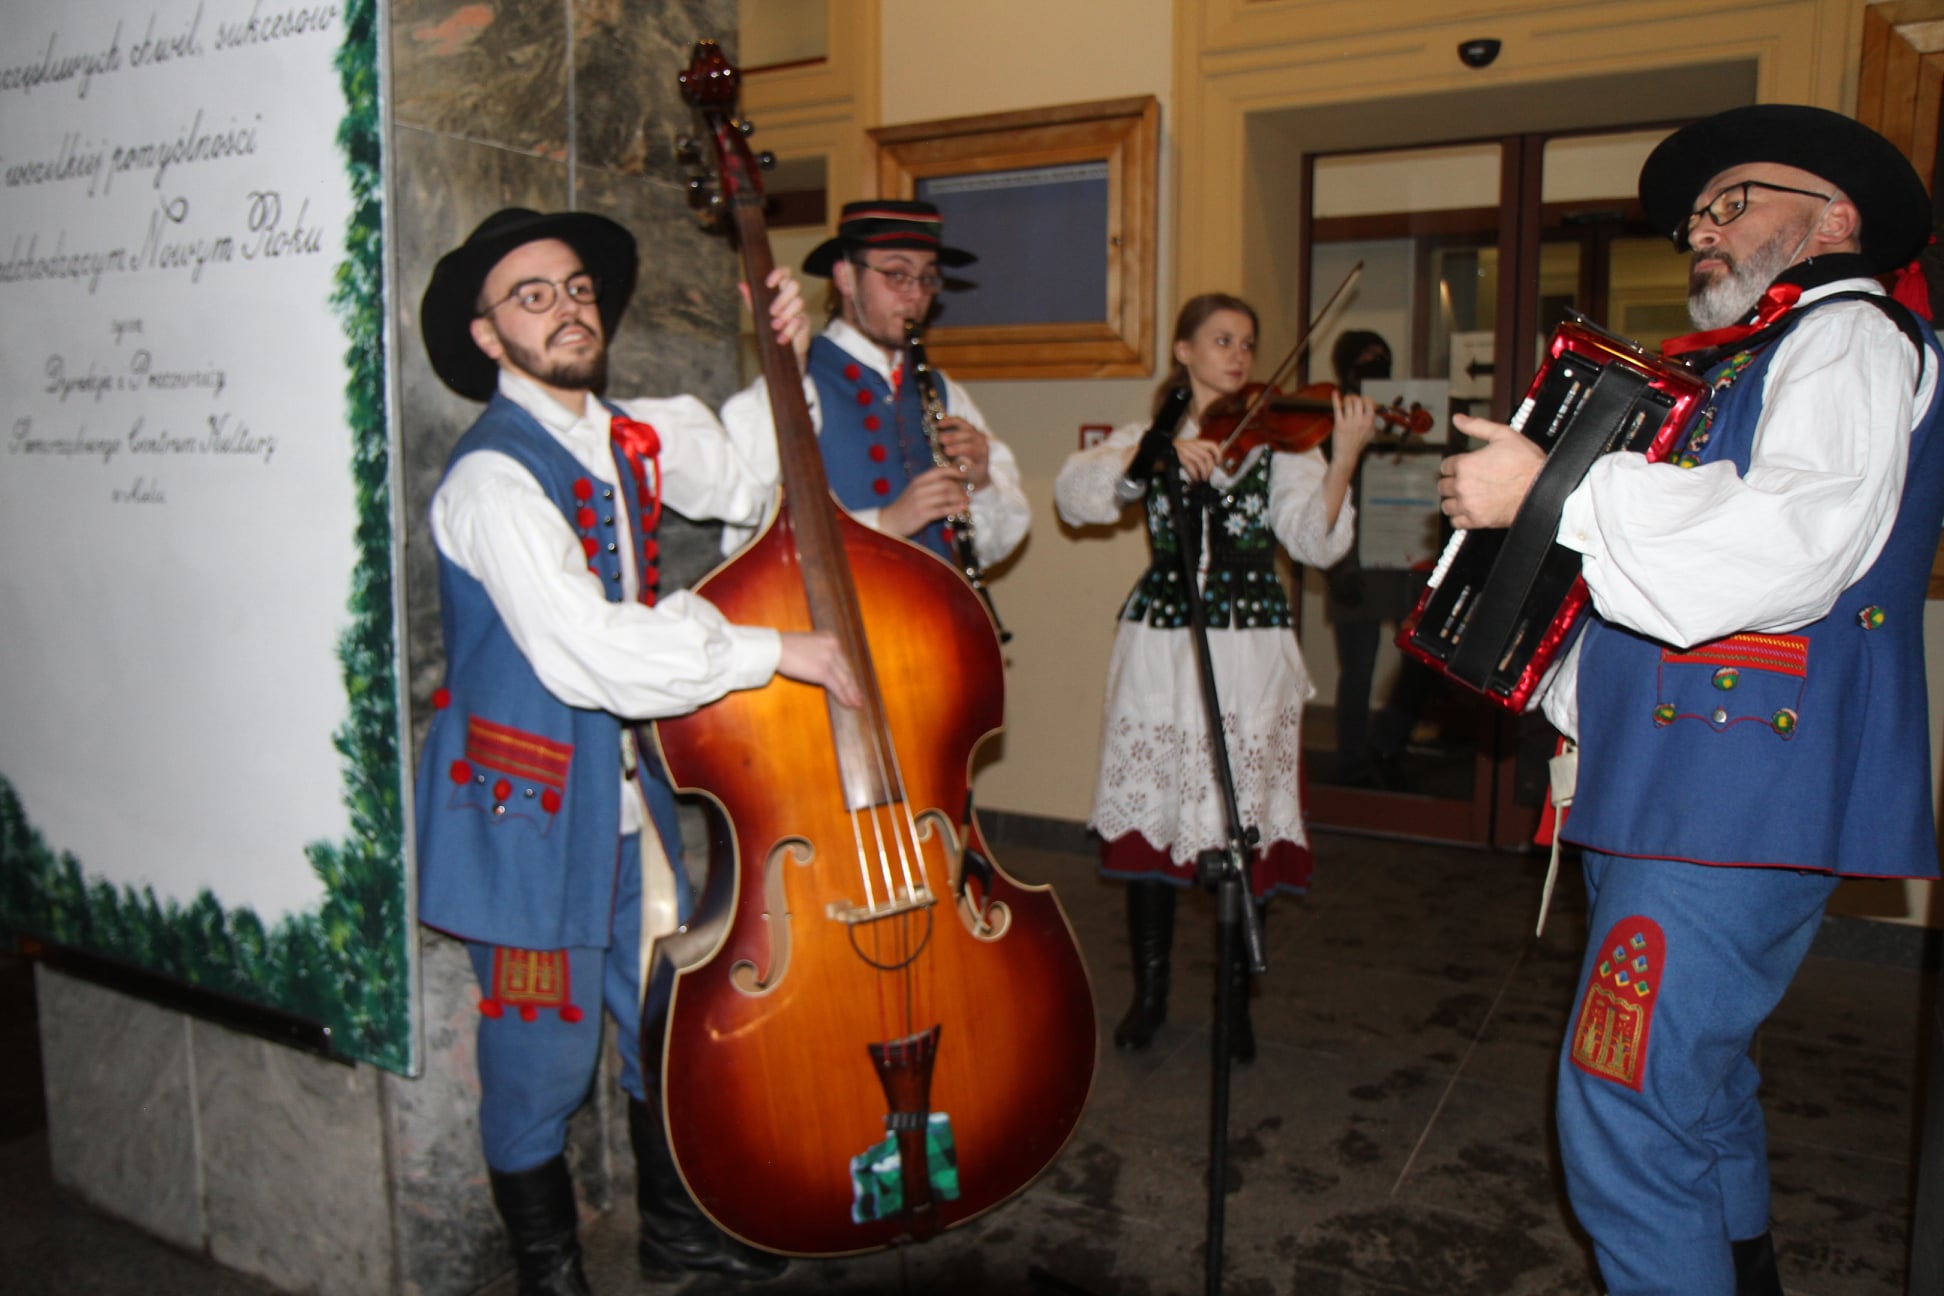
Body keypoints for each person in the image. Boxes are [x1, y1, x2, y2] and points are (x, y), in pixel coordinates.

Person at [1436, 105, 1942, 1296]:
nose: (1700, 232)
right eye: (1695, 217)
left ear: (1836, 215)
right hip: (1680, 786)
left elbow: (1792, 543)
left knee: (1622, 1100)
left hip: (1736, 793)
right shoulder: (1750, 358)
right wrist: (1546, 665)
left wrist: (1555, 485)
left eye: (1731, 204)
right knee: (1698, 1085)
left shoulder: (1851, 336)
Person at [413, 207, 862, 1296]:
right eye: (530, 295)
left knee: (665, 1025)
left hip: (626, 803)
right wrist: (778, 650)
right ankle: (551, 1279)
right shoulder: (490, 483)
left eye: (574, 287)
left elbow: (749, 478)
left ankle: (680, 1241)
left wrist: (782, 351)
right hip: (523, 819)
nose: (565, 308)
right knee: (541, 1067)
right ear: (486, 336)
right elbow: (589, 654)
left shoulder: (628, 436)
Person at [1054, 293, 1377, 1063]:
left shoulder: (1286, 445)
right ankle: (1151, 995)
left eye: (1248, 341)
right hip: (1162, 646)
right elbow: (1079, 495)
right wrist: (1158, 456)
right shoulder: (1147, 438)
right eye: (1221, 339)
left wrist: (1348, 457)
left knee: (1238, 823)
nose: (1237, 354)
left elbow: (1315, 542)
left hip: (1248, 651)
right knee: (1154, 817)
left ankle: (1236, 1006)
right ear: (1184, 351)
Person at [721, 200, 1029, 572]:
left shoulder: (945, 391)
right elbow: (749, 540)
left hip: (936, 617)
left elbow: (992, 547)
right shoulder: (797, 380)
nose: (915, 295)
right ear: (847, 278)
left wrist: (980, 483)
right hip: (836, 622)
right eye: (897, 275)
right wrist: (885, 523)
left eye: (927, 278)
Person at [1319, 330, 1435, 788]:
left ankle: (1388, 740)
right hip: (1352, 560)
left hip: (1405, 552)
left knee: (1422, 659)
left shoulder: (1404, 411)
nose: (1377, 361)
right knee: (1359, 668)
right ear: (1347, 367)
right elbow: (1318, 499)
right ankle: (1350, 761)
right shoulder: (1331, 420)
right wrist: (1335, 569)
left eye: (1382, 355)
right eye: (1366, 358)